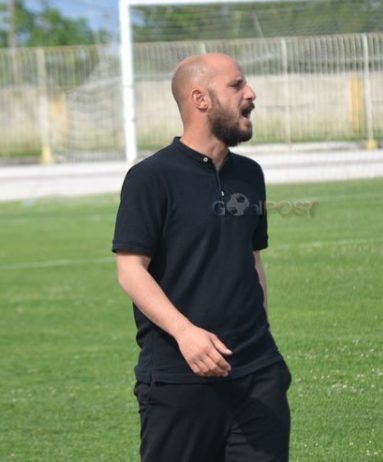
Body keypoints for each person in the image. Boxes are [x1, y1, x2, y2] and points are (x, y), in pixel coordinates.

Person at [112, 53, 291, 462]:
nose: (251, 93)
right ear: (200, 99)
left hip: (258, 376)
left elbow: (252, 261)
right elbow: (130, 270)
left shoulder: (250, 175)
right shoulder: (150, 178)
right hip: (179, 382)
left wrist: (261, 338)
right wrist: (186, 334)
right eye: (236, 85)